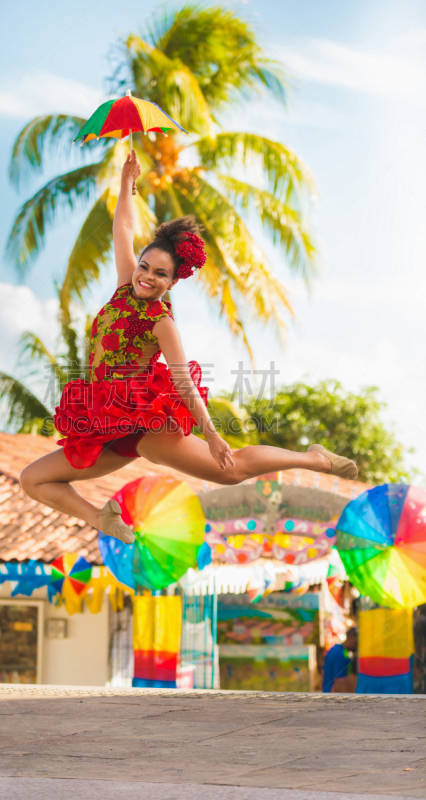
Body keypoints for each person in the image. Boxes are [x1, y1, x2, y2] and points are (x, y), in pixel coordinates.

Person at [20, 151, 358, 543]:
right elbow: (124, 228)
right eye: (144, 266)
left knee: (230, 471)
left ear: (172, 282)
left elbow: (182, 381)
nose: (146, 276)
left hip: (142, 419)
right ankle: (102, 518)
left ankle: (315, 459)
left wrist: (212, 434)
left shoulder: (162, 322)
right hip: (103, 421)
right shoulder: (121, 288)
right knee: (34, 479)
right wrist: (127, 184)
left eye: (159, 273)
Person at [323, 627, 358, 693]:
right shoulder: (340, 655)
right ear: (350, 638)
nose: (356, 646)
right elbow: (339, 683)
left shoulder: (336, 649)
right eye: (355, 642)